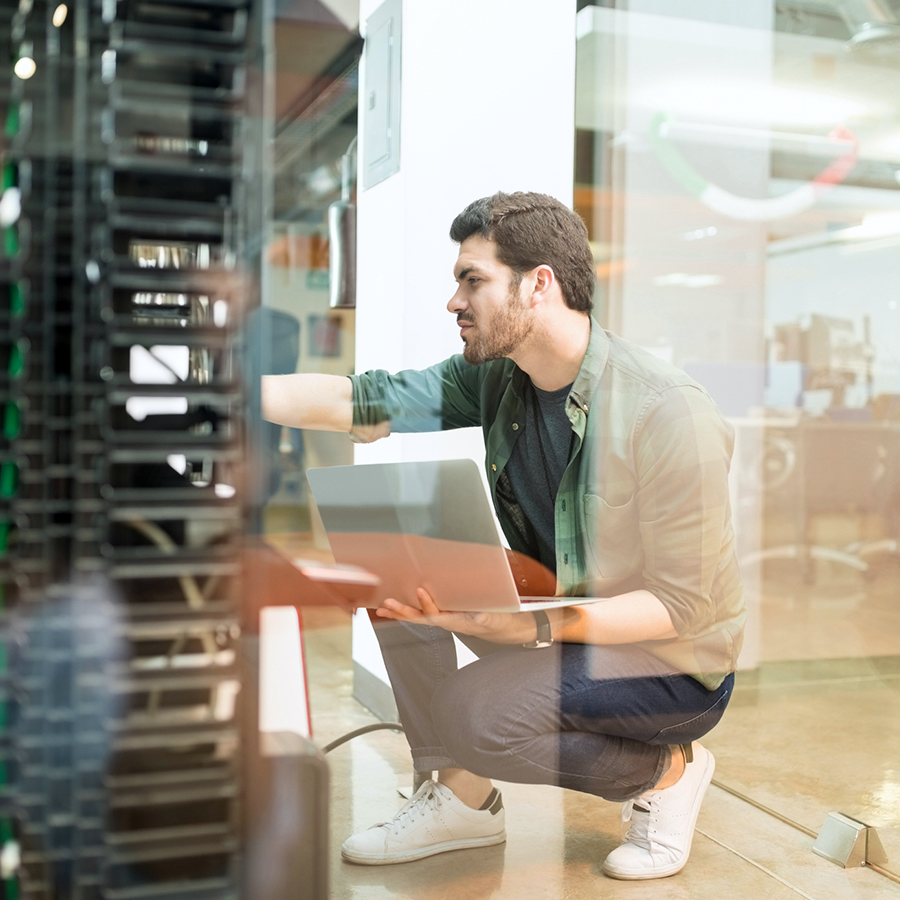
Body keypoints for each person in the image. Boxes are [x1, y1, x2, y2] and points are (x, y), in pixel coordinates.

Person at [262, 191, 745, 880]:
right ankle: (464, 801)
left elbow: (682, 608)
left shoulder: (668, 415)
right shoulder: (497, 378)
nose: (454, 301)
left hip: (670, 662)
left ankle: (666, 770)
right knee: (399, 573)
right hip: (567, 616)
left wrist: (531, 632)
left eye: (473, 280)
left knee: (476, 714)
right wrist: (223, 394)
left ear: (538, 283)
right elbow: (362, 400)